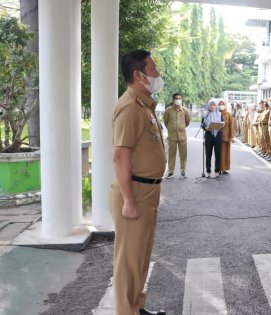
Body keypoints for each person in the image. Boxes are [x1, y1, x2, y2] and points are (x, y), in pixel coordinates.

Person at [110, 49, 167, 315]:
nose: (157, 74)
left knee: (140, 257)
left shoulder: (143, 104)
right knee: (128, 261)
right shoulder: (131, 107)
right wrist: (129, 201)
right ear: (138, 74)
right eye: (153, 70)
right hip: (135, 191)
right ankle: (126, 311)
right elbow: (120, 155)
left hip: (148, 190)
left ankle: (135, 306)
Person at [163, 93, 190, 179]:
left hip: (182, 135)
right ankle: (171, 172)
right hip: (172, 135)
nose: (178, 100)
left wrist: (181, 128)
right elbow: (166, 121)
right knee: (171, 154)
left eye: (179, 98)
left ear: (181, 100)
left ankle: (183, 171)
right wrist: (171, 129)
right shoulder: (168, 110)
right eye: (176, 98)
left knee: (183, 154)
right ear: (173, 100)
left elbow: (187, 121)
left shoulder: (185, 111)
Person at [202, 100, 224, 178]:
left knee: (218, 154)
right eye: (211, 104)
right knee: (208, 154)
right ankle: (208, 171)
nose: (212, 106)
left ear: (216, 106)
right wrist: (205, 128)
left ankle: (217, 171)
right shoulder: (205, 114)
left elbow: (223, 123)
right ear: (208, 106)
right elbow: (202, 124)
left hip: (218, 135)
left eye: (214, 104)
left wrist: (221, 125)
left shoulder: (220, 114)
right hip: (208, 135)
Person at [219, 100, 235, 175]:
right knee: (219, 153)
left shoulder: (228, 114)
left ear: (225, 105)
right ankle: (218, 168)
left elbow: (231, 126)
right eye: (220, 104)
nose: (221, 105)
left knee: (226, 153)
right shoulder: (216, 113)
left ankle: (224, 169)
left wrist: (232, 137)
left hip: (227, 136)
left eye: (223, 104)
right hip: (218, 137)